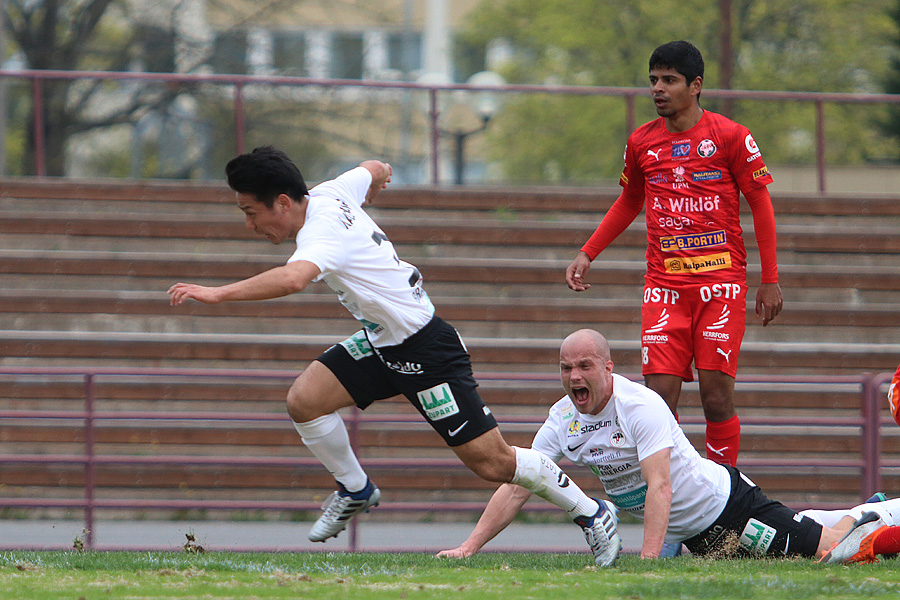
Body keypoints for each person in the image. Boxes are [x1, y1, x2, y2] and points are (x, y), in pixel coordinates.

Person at [167, 146, 620, 565]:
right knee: (304, 400)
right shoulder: (332, 191)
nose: (249, 224)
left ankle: (592, 512)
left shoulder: (320, 234)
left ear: (283, 203)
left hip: (426, 349)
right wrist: (381, 175)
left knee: (494, 463)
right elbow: (373, 167)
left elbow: (292, 281)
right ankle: (355, 488)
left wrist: (216, 293)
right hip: (381, 341)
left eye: (250, 212)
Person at [437, 329, 900, 564]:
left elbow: (660, 488)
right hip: (689, 533)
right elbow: (520, 485)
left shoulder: (639, 405)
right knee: (796, 536)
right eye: (565, 368)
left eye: (584, 366)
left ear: (607, 367)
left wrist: (646, 562)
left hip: (728, 508)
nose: (574, 377)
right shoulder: (562, 417)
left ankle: (864, 517)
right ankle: (864, 511)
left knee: (825, 551)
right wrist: (468, 548)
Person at [565, 41, 783, 468]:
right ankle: (673, 503)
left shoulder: (731, 136)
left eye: (669, 80)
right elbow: (630, 200)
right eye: (653, 81)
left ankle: (724, 498)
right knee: (658, 400)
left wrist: (769, 278)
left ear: (695, 86)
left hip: (721, 286)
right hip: (664, 288)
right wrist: (588, 252)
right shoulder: (642, 141)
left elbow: (761, 202)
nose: (658, 89)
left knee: (716, 397)